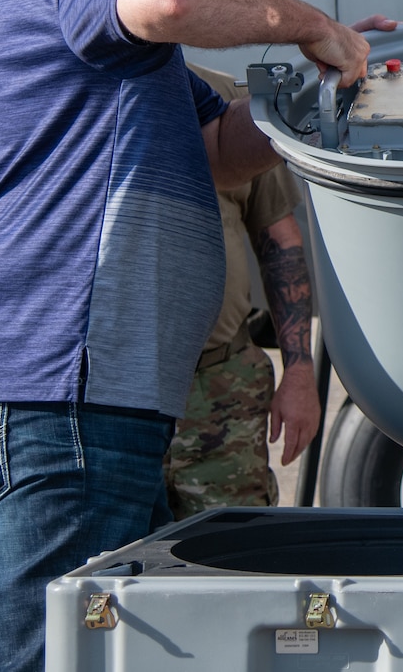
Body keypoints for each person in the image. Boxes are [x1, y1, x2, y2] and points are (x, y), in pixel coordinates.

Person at [0, 0, 371, 672]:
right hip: (64, 392)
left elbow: (223, 150)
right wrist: (313, 23)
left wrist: (326, 94)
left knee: (108, 656)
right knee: (56, 657)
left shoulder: (146, 68)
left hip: (109, 397)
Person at [164, 66, 332, 517]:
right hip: (117, 398)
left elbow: (279, 240)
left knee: (231, 558)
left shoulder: (226, 103)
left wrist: (298, 372)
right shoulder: (78, 101)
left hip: (221, 385)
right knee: (116, 570)